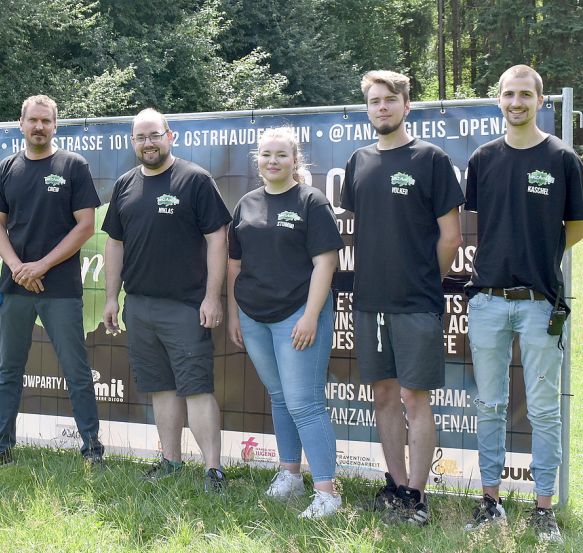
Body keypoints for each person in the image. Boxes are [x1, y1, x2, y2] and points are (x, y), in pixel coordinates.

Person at [462, 64, 583, 544]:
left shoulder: (562, 158)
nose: (516, 102)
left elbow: (575, 224)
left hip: (539, 303)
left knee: (544, 411)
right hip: (488, 300)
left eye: (525, 95)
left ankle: (543, 509)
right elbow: (477, 222)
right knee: (489, 404)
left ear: (540, 101)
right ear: (498, 99)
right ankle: (490, 502)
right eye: (509, 94)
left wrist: (543, 255)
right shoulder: (482, 159)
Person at [339, 70, 464, 525]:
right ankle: (394, 485)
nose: (382, 108)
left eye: (390, 100)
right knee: (384, 395)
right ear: (368, 109)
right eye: (374, 102)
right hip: (369, 301)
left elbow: (450, 237)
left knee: (416, 398)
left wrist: (424, 281)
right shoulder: (358, 162)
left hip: (417, 303)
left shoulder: (431, 159)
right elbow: (359, 230)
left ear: (407, 105)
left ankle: (417, 493)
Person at [102, 108, 232, 492]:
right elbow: (114, 243)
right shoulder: (125, 185)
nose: (148, 143)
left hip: (187, 306)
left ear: (170, 136)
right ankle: (171, 462)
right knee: (161, 387)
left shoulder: (195, 180)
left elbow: (217, 239)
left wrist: (212, 297)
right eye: (140, 137)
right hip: (139, 306)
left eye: (154, 135)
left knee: (196, 388)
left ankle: (213, 470)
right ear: (133, 143)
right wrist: (112, 298)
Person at [0, 94, 104, 467]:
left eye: (46, 121)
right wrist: (18, 267)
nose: (39, 127)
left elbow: (85, 226)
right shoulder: (7, 167)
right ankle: (0, 448)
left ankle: (92, 452)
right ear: (21, 123)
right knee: (9, 370)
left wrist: (41, 266)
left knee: (76, 370)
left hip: (60, 288)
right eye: (33, 120)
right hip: (14, 286)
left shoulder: (73, 166)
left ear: (55, 125)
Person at [226, 128, 344, 517]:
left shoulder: (312, 202)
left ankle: (327, 492)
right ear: (257, 161)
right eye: (265, 155)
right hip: (253, 315)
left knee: (305, 403)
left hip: (298, 314)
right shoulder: (246, 203)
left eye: (281, 155)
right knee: (280, 398)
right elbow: (235, 264)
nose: (272, 161)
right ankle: (290, 475)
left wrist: (311, 316)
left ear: (296, 161)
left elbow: (326, 262)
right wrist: (234, 314)